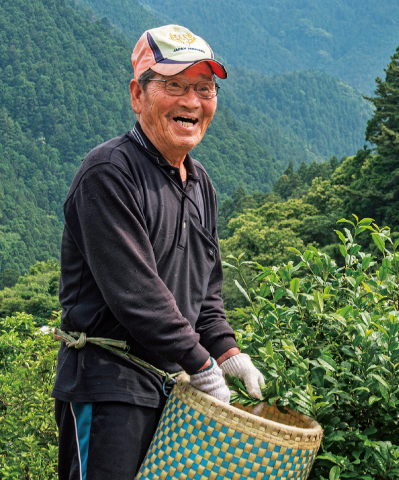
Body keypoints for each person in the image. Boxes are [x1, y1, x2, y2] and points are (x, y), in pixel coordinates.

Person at [52, 25, 265, 479]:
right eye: (174, 86)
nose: (192, 101)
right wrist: (203, 364)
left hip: (172, 386)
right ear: (138, 95)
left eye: (204, 89)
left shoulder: (200, 182)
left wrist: (227, 353)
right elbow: (136, 295)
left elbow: (205, 291)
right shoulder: (109, 174)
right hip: (108, 386)